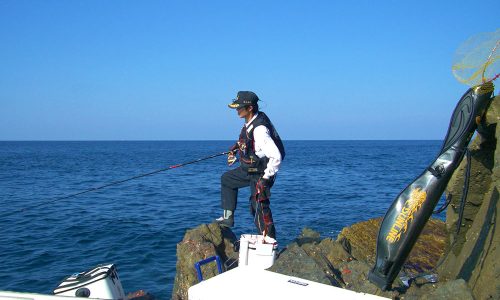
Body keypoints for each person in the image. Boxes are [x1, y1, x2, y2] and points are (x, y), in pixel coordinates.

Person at [216, 91, 285, 239]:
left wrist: (266, 179)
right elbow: (247, 142)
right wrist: (235, 149)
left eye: (239, 107)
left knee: (258, 205)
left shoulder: (260, 130)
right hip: (250, 169)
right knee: (227, 179)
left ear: (250, 108)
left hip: (262, 172)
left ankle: (269, 242)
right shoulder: (250, 122)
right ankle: (228, 218)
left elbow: (276, 156)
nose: (237, 110)